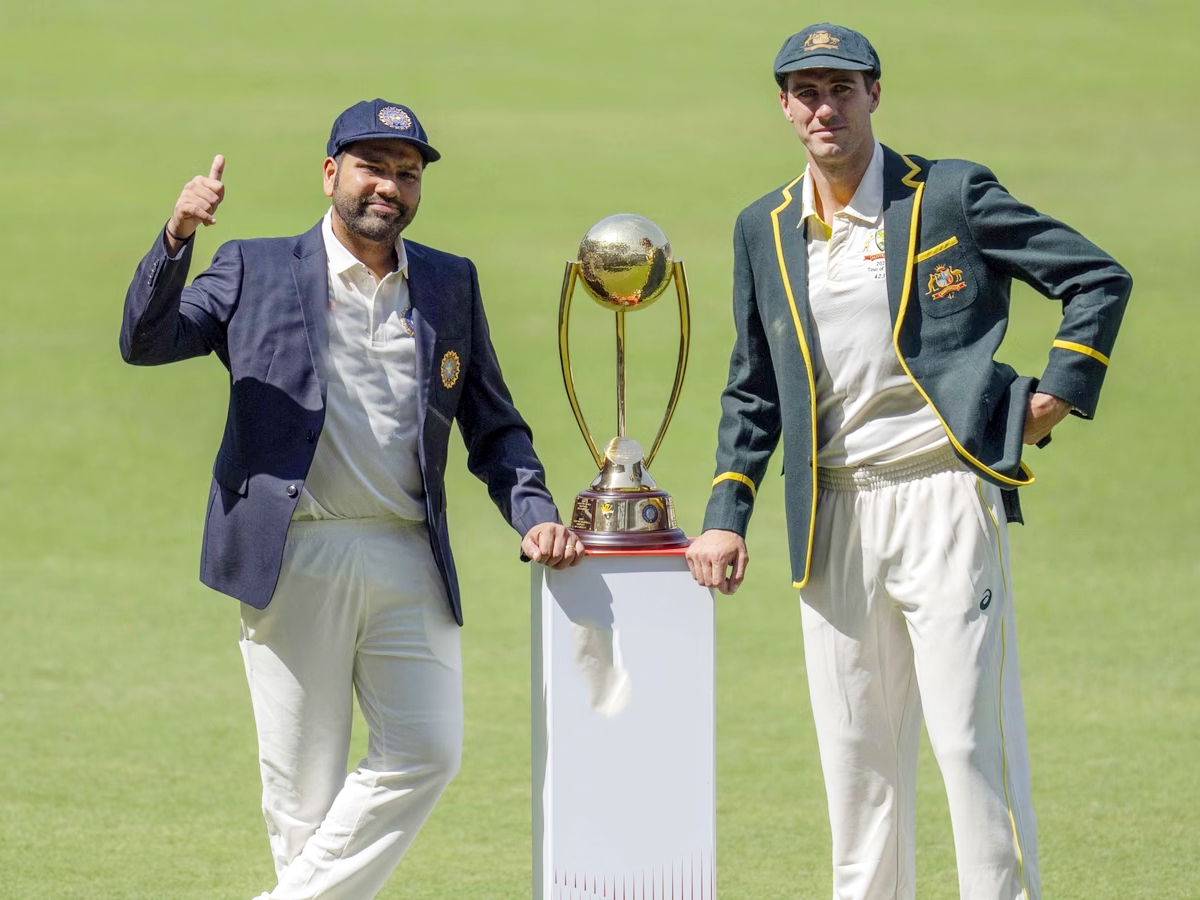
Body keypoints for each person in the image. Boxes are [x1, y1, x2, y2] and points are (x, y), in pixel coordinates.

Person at [684, 24, 1131, 900]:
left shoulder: (950, 195)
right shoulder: (763, 228)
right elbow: (753, 388)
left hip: (943, 497)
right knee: (857, 762)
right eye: (806, 92)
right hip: (833, 517)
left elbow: (1095, 277)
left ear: (874, 96)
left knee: (970, 741)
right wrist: (724, 515)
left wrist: (1056, 397)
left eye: (842, 89)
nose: (825, 107)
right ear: (783, 106)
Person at [120, 98, 584, 900]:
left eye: (407, 174)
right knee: (302, 801)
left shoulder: (447, 282)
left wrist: (534, 513)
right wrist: (176, 239)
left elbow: (494, 425)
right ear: (331, 172)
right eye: (373, 167)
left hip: (408, 551)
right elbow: (146, 343)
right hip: (296, 551)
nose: (390, 188)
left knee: (429, 749)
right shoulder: (253, 267)